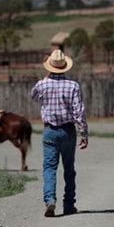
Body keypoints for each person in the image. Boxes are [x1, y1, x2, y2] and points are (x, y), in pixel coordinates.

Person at [31, 49, 88, 217]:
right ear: (64, 66)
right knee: (69, 169)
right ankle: (69, 205)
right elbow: (79, 112)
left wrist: (48, 78)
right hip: (68, 130)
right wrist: (84, 134)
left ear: (50, 66)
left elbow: (33, 96)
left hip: (49, 131)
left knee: (49, 167)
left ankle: (50, 200)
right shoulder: (73, 85)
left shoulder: (42, 84)